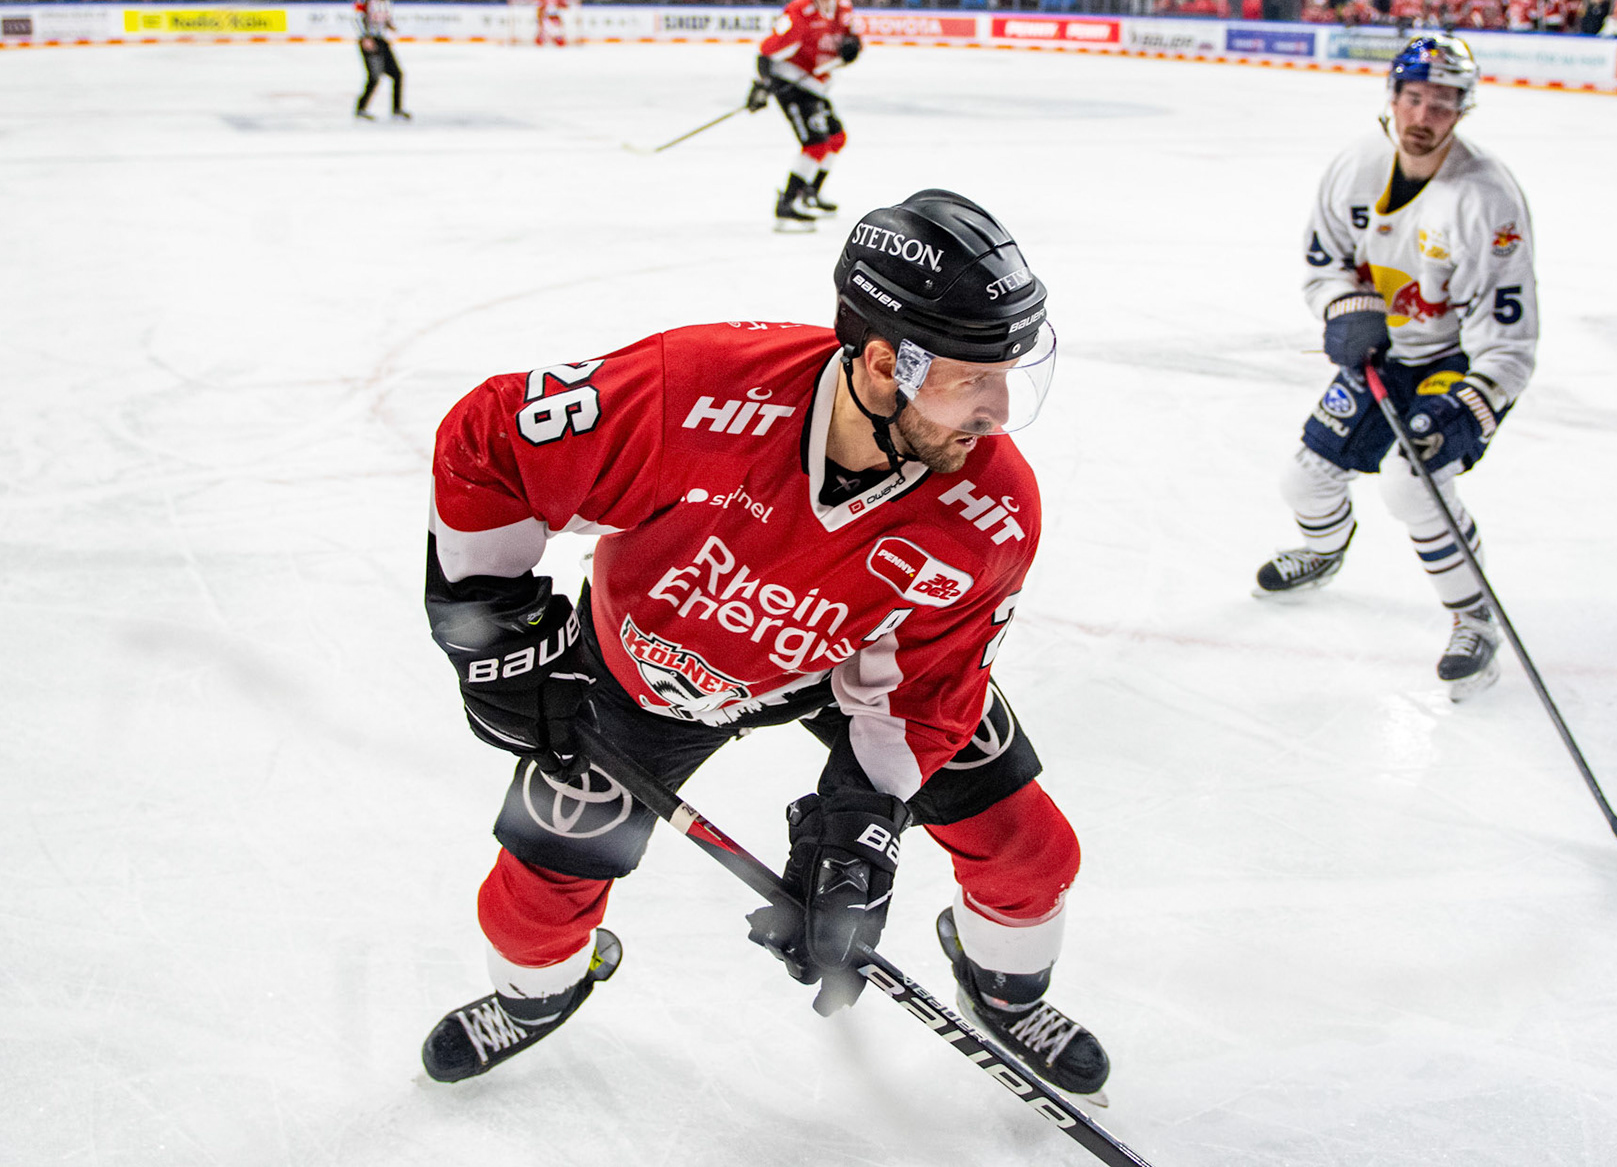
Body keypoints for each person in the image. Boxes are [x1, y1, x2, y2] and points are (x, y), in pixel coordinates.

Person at [415, 190, 1114, 1104]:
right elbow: (493, 442)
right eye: (969, 376)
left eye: (1009, 371)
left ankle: (1003, 989)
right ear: (879, 361)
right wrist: (497, 632)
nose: (998, 406)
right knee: (536, 896)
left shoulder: (991, 508)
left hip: (846, 671)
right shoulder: (696, 389)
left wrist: (863, 828)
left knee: (1029, 849)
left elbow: (930, 682)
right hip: (647, 672)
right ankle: (539, 992)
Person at [1253, 35, 1539, 701]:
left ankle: (1474, 617)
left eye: (1441, 103)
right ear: (1392, 97)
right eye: (1413, 97)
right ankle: (1324, 552)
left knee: (1413, 485)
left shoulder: (1488, 198)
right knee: (1304, 480)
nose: (1423, 115)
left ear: (1462, 110)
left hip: (1457, 361)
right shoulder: (1356, 166)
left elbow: (1510, 336)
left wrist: (1472, 403)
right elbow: (1323, 262)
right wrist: (1344, 308)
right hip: (1384, 352)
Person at [746, 0, 861, 230]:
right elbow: (767, 51)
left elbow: (851, 41)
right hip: (791, 83)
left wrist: (852, 49)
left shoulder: (843, 9)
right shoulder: (800, 10)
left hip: (815, 85)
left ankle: (810, 192)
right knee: (816, 144)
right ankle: (787, 203)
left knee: (836, 138)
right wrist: (762, 85)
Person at [355, 0, 408, 120]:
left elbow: (384, 17)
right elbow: (356, 19)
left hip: (381, 39)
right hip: (369, 40)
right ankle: (361, 108)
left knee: (397, 74)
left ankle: (397, 109)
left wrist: (389, 25)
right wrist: (365, 37)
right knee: (374, 76)